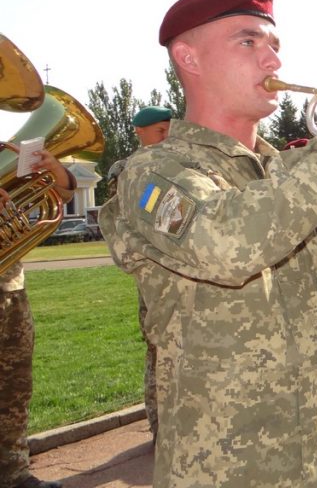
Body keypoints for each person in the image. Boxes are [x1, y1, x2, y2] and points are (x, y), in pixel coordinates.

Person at [99, 0, 317, 488]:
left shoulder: (293, 174)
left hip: (316, 462)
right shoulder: (154, 172)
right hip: (221, 471)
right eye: (249, 43)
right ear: (188, 57)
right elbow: (228, 245)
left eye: (275, 47)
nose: (273, 62)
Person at [1, 143, 73, 488]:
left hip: (10, 288)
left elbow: (60, 193)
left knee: (15, 388)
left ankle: (14, 475)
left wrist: (55, 170)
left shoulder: (4, 155)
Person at [105, 105, 174, 440]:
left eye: (171, 130)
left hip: (186, 271)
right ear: (139, 132)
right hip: (153, 274)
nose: (167, 137)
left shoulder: (180, 163)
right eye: (160, 131)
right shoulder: (126, 171)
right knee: (159, 348)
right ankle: (160, 425)